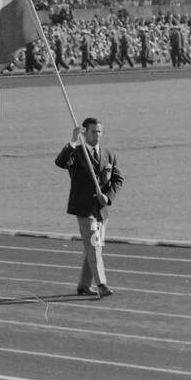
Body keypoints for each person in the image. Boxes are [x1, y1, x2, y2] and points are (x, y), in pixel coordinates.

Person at [55, 116, 123, 299]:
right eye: (93, 131)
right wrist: (72, 140)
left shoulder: (108, 154)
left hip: (100, 209)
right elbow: (60, 162)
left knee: (95, 246)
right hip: (83, 208)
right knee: (94, 245)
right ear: (85, 133)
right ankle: (101, 284)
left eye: (99, 131)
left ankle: (84, 285)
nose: (97, 135)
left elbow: (118, 179)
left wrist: (107, 197)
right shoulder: (77, 152)